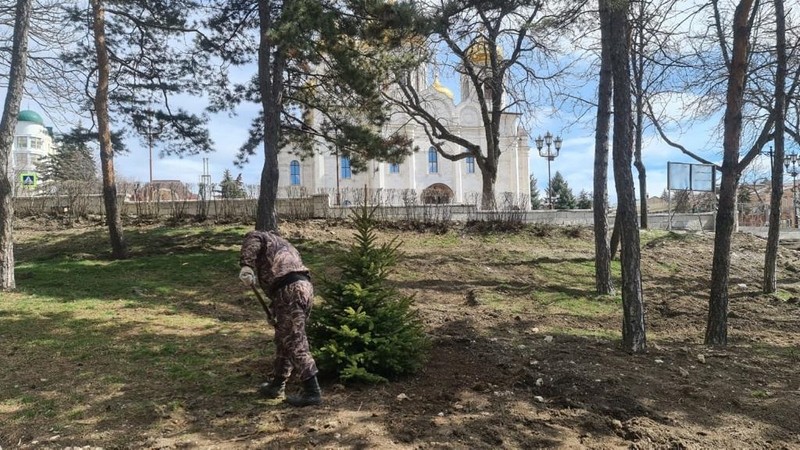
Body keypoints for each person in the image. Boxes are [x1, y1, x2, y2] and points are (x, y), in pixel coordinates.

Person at [238, 230, 322, 407]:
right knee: (284, 337)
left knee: (294, 339)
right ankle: (277, 384)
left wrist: (246, 265)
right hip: (303, 289)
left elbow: (253, 243)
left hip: (289, 290)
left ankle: (313, 392)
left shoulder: (257, 236)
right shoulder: (284, 245)